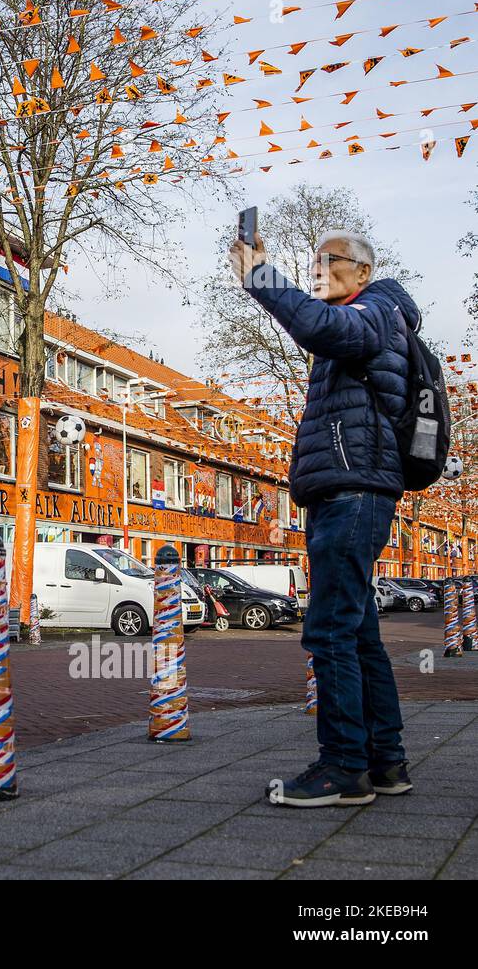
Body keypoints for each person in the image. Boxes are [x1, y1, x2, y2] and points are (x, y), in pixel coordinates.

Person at [230, 228, 416, 807]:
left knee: (330, 629)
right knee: (359, 633)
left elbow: (321, 325)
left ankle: (341, 769)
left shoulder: (376, 310)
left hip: (351, 492)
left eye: (327, 261)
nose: (316, 269)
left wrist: (262, 276)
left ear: (362, 270)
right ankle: (385, 763)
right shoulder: (373, 315)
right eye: (313, 261)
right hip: (351, 490)